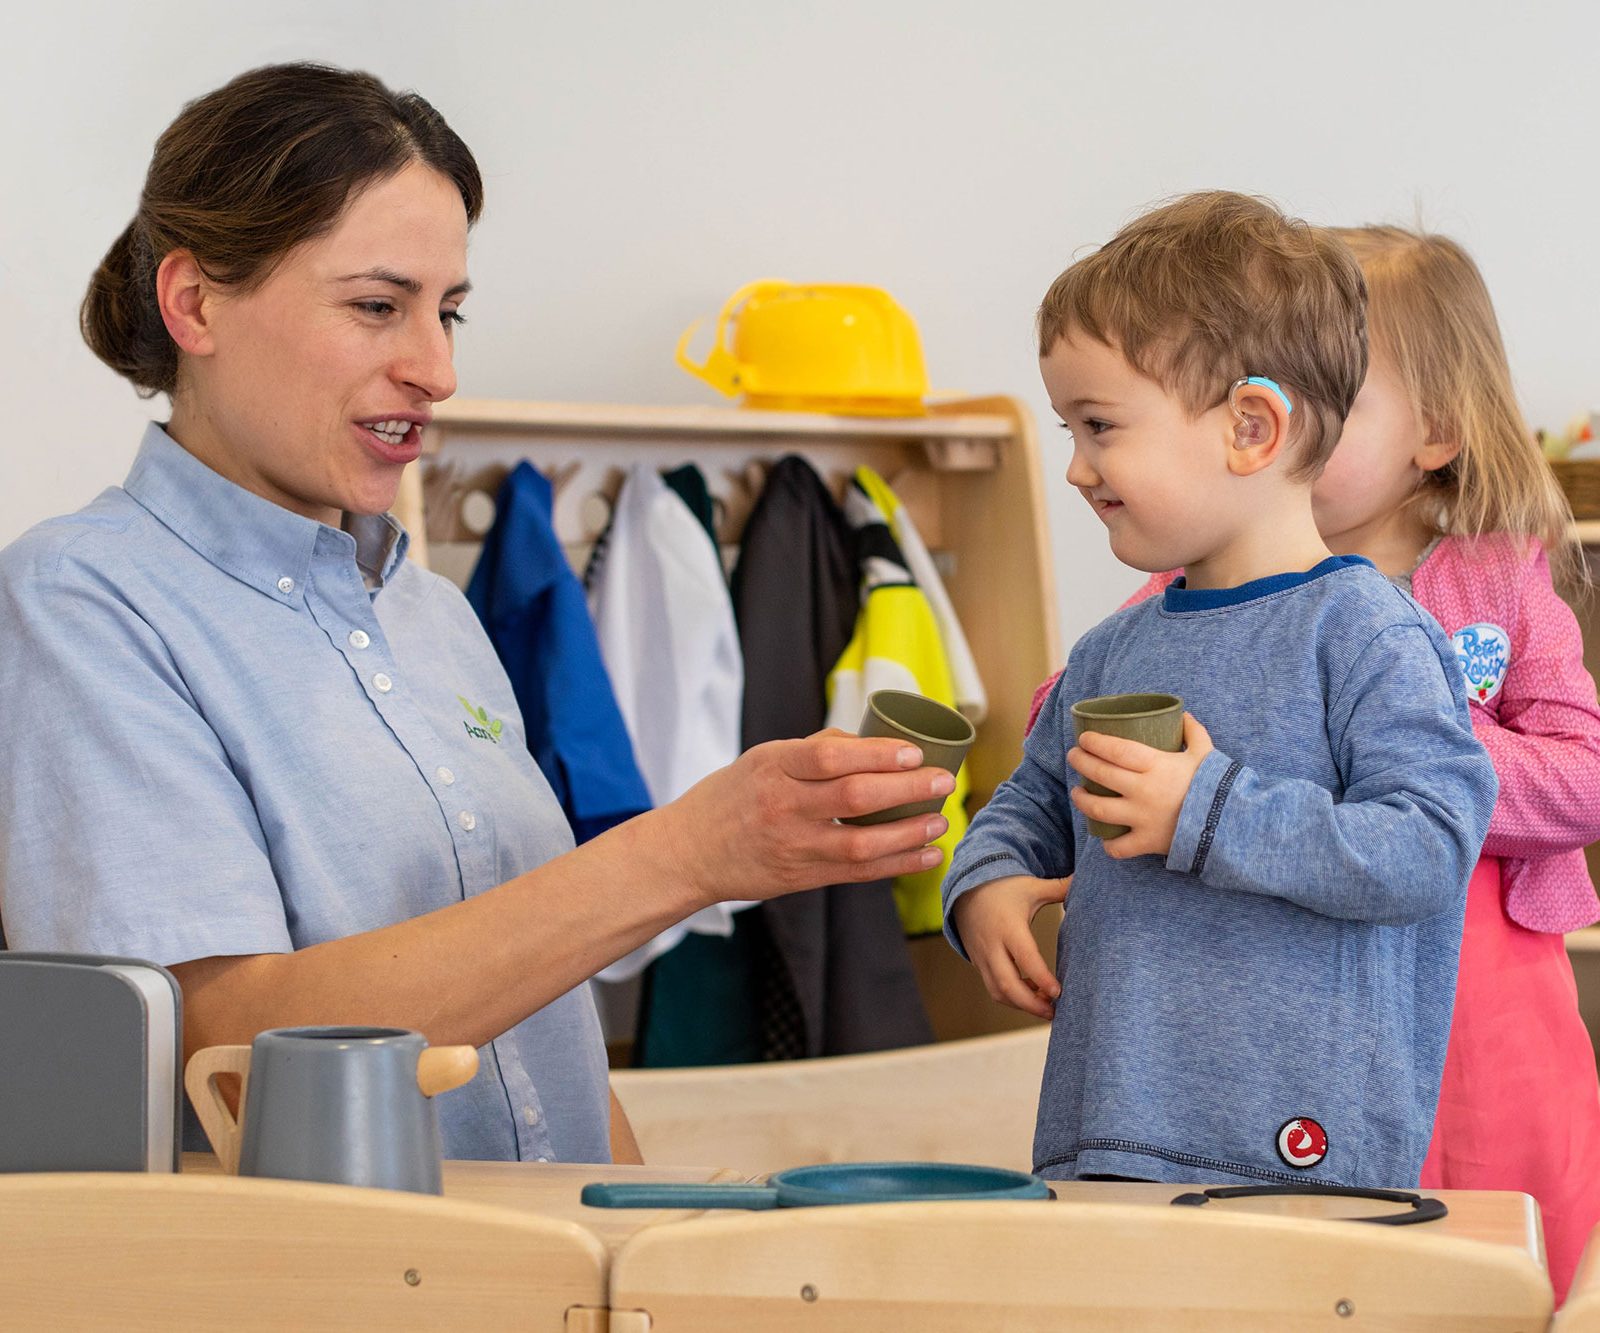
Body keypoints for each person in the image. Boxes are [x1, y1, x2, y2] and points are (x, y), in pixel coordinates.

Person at [0, 62, 955, 1166]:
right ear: (194, 302)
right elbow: (223, 1045)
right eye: (376, 306)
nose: (438, 368)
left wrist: (632, 1236)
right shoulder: (83, 603)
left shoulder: (435, 616)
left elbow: (543, 1044)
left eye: (447, 312)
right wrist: (687, 855)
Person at [1058, 226, 1600, 1302]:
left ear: (1435, 432)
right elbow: (1070, 712)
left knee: (1501, 1269)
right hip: (1292, 1002)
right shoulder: (1206, 578)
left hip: (1490, 1007)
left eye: (1337, 391)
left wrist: (1394, 739)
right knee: (1324, 1271)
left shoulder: (1495, 577)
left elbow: (1581, 776)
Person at [942, 192, 1498, 1188]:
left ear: (1250, 427)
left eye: (1099, 425)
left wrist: (1206, 809)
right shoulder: (1113, 649)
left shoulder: (1367, 632)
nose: (1074, 468)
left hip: (1297, 1160)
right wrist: (981, 881)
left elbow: (1428, 844)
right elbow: (1033, 800)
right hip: (1108, 1131)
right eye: (1069, 427)